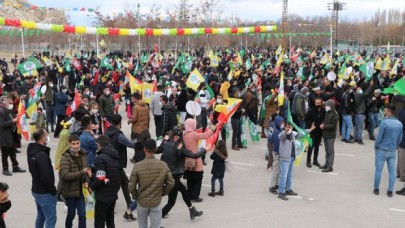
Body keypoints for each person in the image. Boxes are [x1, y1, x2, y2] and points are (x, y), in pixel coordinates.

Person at [156, 128, 205, 220]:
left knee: (184, 190)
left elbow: (157, 150)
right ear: (176, 137)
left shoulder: (165, 143)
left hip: (166, 174)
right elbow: (194, 155)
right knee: (171, 202)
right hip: (173, 176)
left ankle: (192, 210)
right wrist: (205, 149)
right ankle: (157, 220)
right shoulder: (179, 147)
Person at [128, 139, 175, 228]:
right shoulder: (163, 165)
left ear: (144, 149)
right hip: (156, 201)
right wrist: (163, 192)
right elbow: (171, 182)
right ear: (155, 149)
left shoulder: (138, 165)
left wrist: (135, 195)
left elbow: (131, 185)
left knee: (142, 225)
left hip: (142, 201)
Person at [104, 114, 136, 220]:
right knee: (115, 187)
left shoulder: (107, 132)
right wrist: (140, 142)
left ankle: (129, 204)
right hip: (117, 164)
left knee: (125, 183)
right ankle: (107, 206)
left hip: (110, 163)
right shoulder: (119, 135)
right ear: (120, 122)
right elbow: (130, 144)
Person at [59, 134, 92, 228]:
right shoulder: (65, 157)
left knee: (82, 215)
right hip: (69, 191)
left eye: (77, 143)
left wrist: (86, 180)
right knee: (71, 214)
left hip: (81, 191)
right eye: (73, 144)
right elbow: (65, 175)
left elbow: (85, 172)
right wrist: (82, 172)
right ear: (69, 144)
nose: (76, 146)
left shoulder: (83, 155)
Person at [27, 129, 57, 228]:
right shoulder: (41, 155)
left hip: (36, 189)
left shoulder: (32, 150)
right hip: (45, 192)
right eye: (46, 135)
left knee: (41, 216)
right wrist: (53, 191)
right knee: (50, 219)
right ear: (43, 138)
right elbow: (46, 176)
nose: (48, 137)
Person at [91, 135, 121, 228]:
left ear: (99, 144)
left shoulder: (100, 158)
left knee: (99, 222)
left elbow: (101, 178)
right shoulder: (115, 155)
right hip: (112, 193)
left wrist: (91, 187)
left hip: (103, 196)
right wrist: (92, 175)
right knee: (110, 221)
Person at [373, 104, 403, 197]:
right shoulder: (399, 124)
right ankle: (390, 191)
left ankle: (376, 189)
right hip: (392, 150)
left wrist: (376, 145)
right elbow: (400, 139)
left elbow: (379, 137)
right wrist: (395, 146)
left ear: (389, 112)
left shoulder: (384, 123)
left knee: (378, 170)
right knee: (392, 172)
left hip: (382, 149)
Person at [183, 118, 215, 202]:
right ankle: (195, 196)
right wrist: (212, 130)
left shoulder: (184, 134)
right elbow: (205, 135)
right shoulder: (194, 134)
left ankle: (189, 195)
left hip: (186, 159)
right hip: (196, 159)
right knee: (198, 177)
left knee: (189, 179)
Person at [0, 97, 26, 176]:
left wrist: (18, 116)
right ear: (4, 103)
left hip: (12, 135)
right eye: (9, 103)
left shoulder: (10, 111)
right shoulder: (1, 112)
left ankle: (15, 167)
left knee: (12, 153)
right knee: (4, 154)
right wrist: (12, 121)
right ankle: (5, 169)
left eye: (11, 103)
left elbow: (15, 117)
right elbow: (2, 124)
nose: (11, 105)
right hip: (4, 136)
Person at [319, 99, 339, 173]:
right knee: (327, 150)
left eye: (327, 105)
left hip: (331, 135)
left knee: (330, 151)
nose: (326, 107)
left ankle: (330, 166)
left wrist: (324, 126)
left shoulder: (335, 114)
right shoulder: (327, 112)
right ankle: (326, 164)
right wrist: (322, 123)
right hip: (325, 134)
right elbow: (325, 120)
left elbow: (333, 126)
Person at [305, 98, 325, 168]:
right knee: (311, 146)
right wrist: (311, 125)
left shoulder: (323, 111)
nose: (317, 104)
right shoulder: (311, 111)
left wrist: (323, 123)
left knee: (317, 147)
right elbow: (306, 119)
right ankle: (308, 161)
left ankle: (315, 160)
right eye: (316, 103)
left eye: (318, 103)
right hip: (313, 131)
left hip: (320, 131)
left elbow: (325, 119)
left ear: (321, 103)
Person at [269, 116, 284, 194]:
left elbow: (270, 140)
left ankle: (277, 184)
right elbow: (277, 145)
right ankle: (272, 186)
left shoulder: (278, 130)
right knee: (276, 170)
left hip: (277, 153)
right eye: (281, 122)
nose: (283, 124)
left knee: (278, 170)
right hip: (277, 153)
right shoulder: (277, 132)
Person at [397, 106, 405, 182]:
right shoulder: (402, 112)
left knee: (401, 156)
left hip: (401, 137)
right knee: (402, 157)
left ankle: (399, 172)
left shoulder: (401, 111)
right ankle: (402, 176)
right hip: (403, 138)